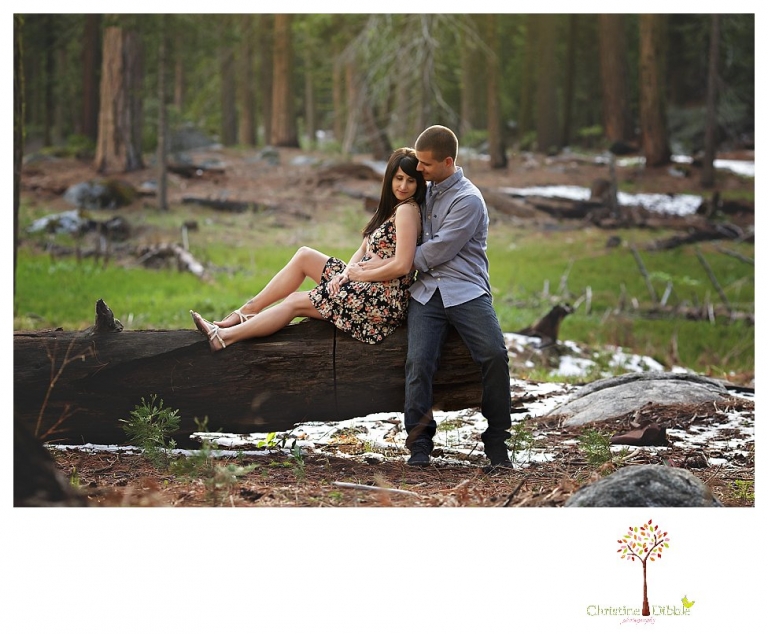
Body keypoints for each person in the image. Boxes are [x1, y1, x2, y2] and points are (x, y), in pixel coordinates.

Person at [189, 147, 426, 351]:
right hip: (365, 283)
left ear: (419, 183)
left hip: (383, 301)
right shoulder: (390, 209)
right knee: (305, 255)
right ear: (389, 178)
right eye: (398, 178)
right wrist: (345, 274)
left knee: (295, 301)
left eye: (411, 180)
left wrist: (360, 275)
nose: (403, 185)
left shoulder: (407, 210)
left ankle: (224, 337)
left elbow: (403, 265)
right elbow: (362, 249)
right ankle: (248, 311)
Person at [404, 125, 513, 469]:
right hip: (427, 292)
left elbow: (439, 250)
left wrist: (395, 262)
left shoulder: (469, 199)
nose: (418, 168)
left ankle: (497, 444)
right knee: (418, 362)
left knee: (494, 354)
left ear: (448, 162)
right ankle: (419, 445)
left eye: (425, 163)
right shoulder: (424, 191)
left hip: (466, 289)